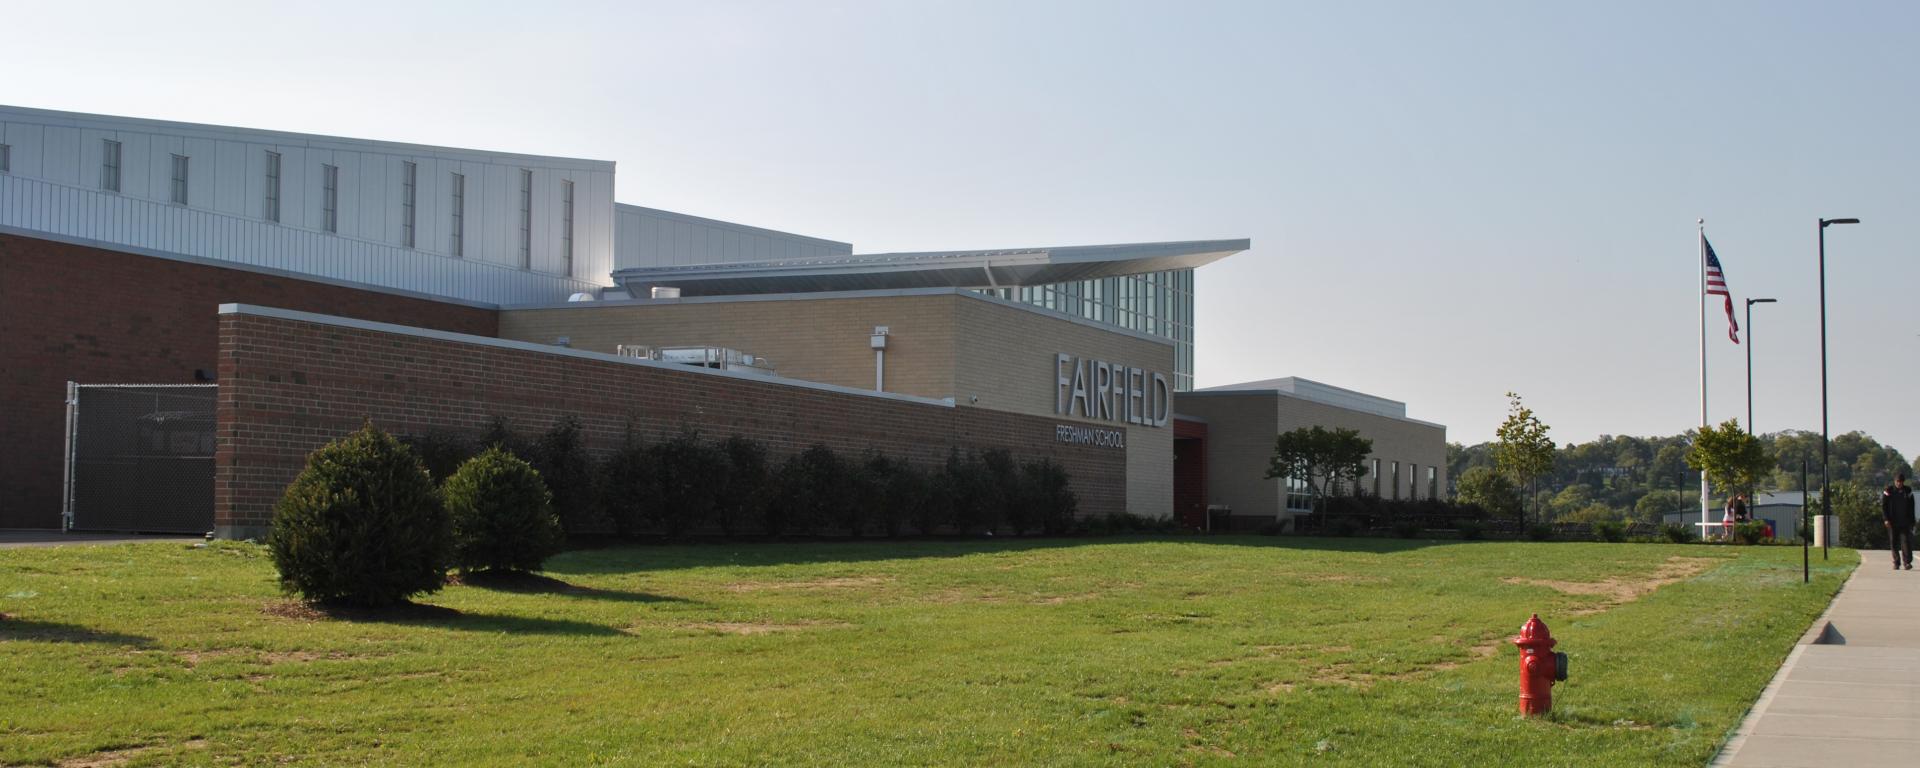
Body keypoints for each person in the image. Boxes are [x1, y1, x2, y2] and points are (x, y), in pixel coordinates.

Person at [1882, 474, 1916, 570]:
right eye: (1897, 481)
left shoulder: (1908, 491)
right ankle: (1896, 562)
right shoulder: (1888, 491)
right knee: (1893, 542)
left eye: (1900, 482)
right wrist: (1886, 519)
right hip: (1892, 522)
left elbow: (1912, 507)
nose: (1899, 483)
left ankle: (1907, 563)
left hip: (1905, 522)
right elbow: (1884, 507)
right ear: (1894, 481)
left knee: (1906, 542)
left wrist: (1912, 522)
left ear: (1903, 482)